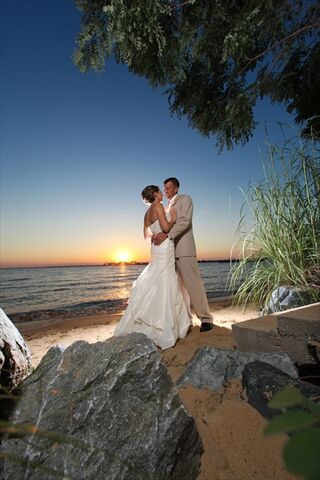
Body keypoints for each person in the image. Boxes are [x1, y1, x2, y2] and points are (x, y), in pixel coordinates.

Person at [114, 185, 191, 349]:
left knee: (157, 279)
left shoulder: (147, 212)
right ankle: (164, 328)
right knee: (165, 280)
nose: (162, 193)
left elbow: (146, 236)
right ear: (155, 194)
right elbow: (167, 228)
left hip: (155, 248)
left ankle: (149, 321)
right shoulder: (158, 206)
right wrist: (174, 217)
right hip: (164, 247)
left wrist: (155, 235)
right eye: (160, 191)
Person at [153, 177, 214, 332]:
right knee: (179, 291)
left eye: (168, 188)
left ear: (176, 188)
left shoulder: (185, 199)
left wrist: (167, 236)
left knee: (194, 286)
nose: (165, 191)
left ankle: (206, 319)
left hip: (185, 250)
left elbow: (185, 221)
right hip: (170, 253)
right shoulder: (166, 206)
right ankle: (187, 320)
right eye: (164, 188)